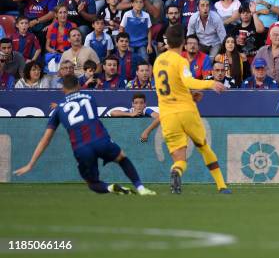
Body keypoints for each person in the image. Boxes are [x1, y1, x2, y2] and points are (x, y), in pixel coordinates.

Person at [14, 74, 156, 195]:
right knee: (122, 158)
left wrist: (30, 164)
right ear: (78, 85)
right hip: (101, 140)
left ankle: (110, 187)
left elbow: (45, 140)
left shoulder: (59, 108)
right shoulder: (89, 97)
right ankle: (141, 188)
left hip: (81, 148)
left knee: (92, 183)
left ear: (63, 89)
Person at [152, 24, 229, 194]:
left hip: (167, 114)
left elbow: (172, 85)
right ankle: (222, 186)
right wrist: (210, 83)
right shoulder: (181, 61)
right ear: (183, 43)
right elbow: (187, 81)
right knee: (203, 146)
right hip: (186, 111)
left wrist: (190, 93)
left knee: (180, 159)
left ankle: (176, 171)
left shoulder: (158, 61)